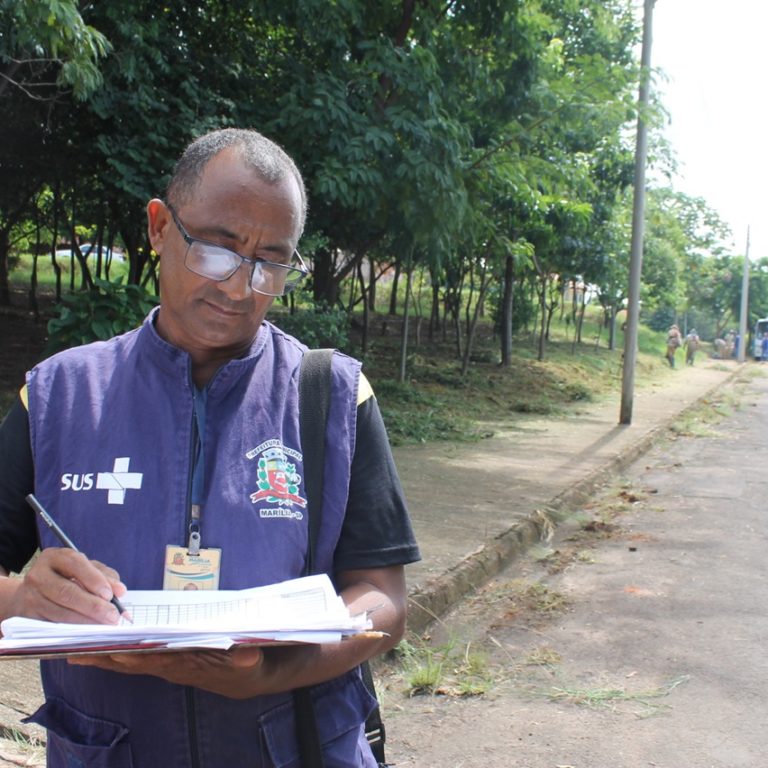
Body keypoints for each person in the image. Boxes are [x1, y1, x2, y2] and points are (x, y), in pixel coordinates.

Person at [0, 128, 420, 767]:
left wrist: (268, 675)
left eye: (270, 263)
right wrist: (22, 600)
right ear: (160, 227)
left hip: (295, 747)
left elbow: (383, 599)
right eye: (218, 252)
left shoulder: (332, 396)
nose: (239, 288)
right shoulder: (59, 397)